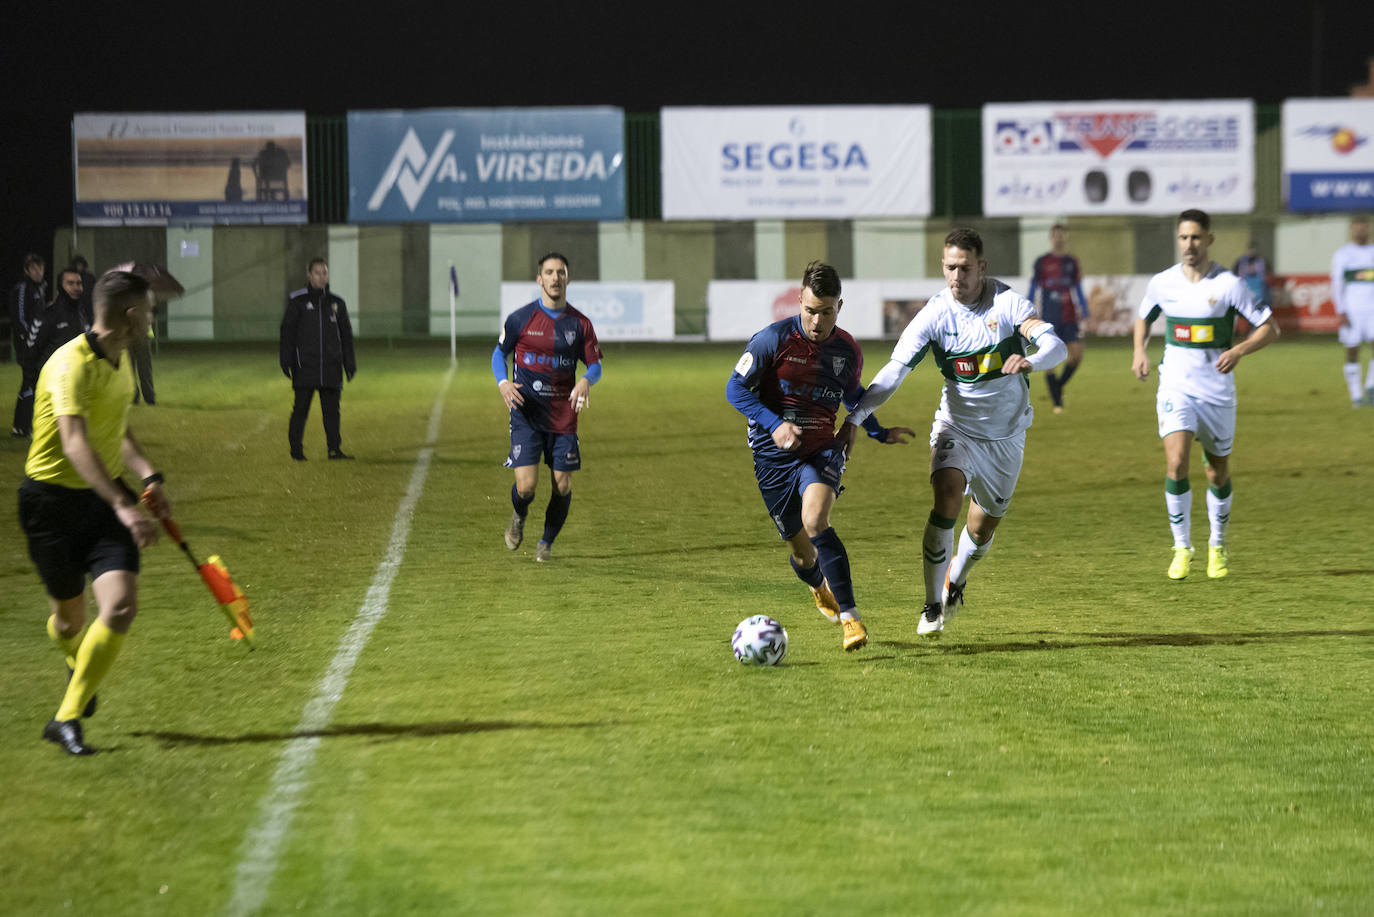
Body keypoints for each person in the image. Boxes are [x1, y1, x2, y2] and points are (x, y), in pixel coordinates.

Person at [842, 228, 1067, 636]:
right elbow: (894, 372)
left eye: (965, 267)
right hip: (956, 425)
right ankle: (931, 606)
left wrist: (1033, 360)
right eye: (950, 267)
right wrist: (855, 418)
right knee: (946, 495)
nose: (956, 276)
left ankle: (956, 579)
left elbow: (1056, 345)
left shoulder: (1009, 303)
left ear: (981, 267)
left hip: (1006, 436)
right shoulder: (935, 315)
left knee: (981, 529)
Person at [17, 269, 171, 755]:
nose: (152, 317)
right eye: (147, 310)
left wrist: (147, 475)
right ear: (129, 316)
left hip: (102, 500)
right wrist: (123, 506)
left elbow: (115, 428)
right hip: (50, 503)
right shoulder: (70, 365)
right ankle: (74, 656)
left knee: (121, 605)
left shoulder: (121, 360)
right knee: (69, 621)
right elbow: (75, 441)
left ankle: (65, 718)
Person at [728, 260, 913, 652]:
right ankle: (818, 586)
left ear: (839, 307)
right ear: (799, 301)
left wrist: (878, 431)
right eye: (810, 310)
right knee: (801, 551)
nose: (816, 321)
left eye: (826, 312)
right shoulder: (771, 340)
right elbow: (735, 389)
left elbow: (853, 396)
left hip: (822, 449)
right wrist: (774, 424)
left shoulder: (847, 350)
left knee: (816, 519)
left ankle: (851, 619)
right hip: (771, 457)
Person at [1132, 209, 1278, 581]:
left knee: (1216, 471)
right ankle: (1182, 547)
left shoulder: (1229, 285)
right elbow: (1143, 318)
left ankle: (1217, 544)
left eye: (1196, 237)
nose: (1189, 245)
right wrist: (1139, 350)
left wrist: (1239, 350)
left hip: (1216, 392)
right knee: (1176, 462)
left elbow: (1269, 327)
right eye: (1183, 238)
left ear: (1209, 240)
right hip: (1176, 386)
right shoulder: (1163, 283)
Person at [492, 252, 602, 563]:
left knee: (562, 484)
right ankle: (519, 515)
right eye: (549, 272)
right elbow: (498, 354)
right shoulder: (520, 319)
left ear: (568, 279)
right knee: (526, 487)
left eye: (561, 272)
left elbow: (595, 366)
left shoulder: (580, 324)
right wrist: (503, 383)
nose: (555, 278)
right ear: (540, 279)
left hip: (564, 415)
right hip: (527, 412)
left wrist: (585, 381)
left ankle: (546, 543)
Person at [279, 258, 356, 460]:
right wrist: (286, 360)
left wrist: (349, 362)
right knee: (300, 410)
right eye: (317, 273)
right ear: (309, 274)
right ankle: (296, 451)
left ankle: (334, 449)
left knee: (332, 412)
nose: (322, 277)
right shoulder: (298, 302)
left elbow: (346, 335)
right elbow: (287, 332)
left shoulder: (337, 303)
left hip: (331, 367)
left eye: (324, 273)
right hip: (306, 366)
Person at [1026, 223, 1087, 413]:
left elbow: (1077, 288)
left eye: (1062, 235)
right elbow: (1033, 288)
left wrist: (1085, 310)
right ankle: (1057, 403)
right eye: (1056, 235)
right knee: (1050, 359)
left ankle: (1058, 386)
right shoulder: (1041, 262)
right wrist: (1027, 311)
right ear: (1051, 237)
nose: (1059, 238)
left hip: (1069, 316)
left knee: (1077, 356)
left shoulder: (1071, 262)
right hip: (1048, 317)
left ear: (1066, 237)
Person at [1331, 215, 1374, 408]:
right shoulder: (1343, 254)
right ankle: (1356, 396)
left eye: (1364, 226)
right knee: (1352, 350)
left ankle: (1371, 388)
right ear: (1351, 229)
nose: (1361, 230)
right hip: (1353, 310)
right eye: (1357, 227)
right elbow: (1337, 283)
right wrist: (1341, 310)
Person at [10, 253, 47, 436]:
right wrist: (29, 339)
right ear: (26, 270)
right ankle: (24, 426)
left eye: (40, 267)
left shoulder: (39, 289)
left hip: (36, 344)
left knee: (29, 382)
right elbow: (20, 318)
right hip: (26, 345)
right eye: (33, 268)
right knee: (31, 382)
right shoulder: (23, 288)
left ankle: (21, 426)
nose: (38, 271)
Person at [26, 267, 88, 373]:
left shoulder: (82, 314)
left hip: (77, 378)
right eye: (70, 283)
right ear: (60, 286)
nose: (76, 287)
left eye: (78, 283)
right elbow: (31, 353)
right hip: (52, 381)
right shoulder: (47, 315)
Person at [1231, 240, 1270, 308]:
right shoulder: (1240, 260)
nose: (1252, 251)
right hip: (1245, 286)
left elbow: (1268, 271)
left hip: (1259, 289)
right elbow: (1233, 272)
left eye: (1253, 249)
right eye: (1250, 249)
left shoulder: (1262, 260)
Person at [70, 254, 97, 328]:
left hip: (88, 305)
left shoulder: (90, 277)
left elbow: (94, 291)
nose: (79, 266)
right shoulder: (71, 277)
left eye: (80, 264)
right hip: (76, 306)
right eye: (77, 264)